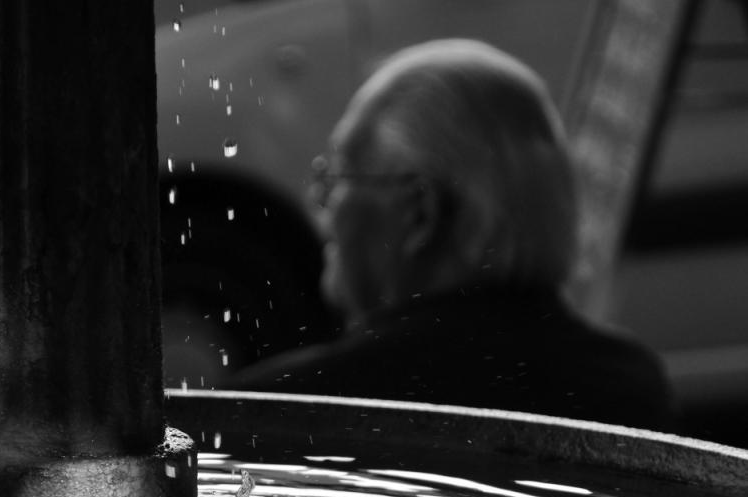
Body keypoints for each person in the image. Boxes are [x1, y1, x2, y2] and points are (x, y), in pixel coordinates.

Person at [230, 38, 673, 430]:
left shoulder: (285, 411)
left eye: (339, 176)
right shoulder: (633, 389)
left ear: (420, 213)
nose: (319, 202)